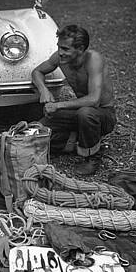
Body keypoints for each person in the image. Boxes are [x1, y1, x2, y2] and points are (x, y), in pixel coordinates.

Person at [31, 24, 116, 175]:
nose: (60, 53)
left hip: (103, 114)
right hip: (80, 111)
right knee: (40, 130)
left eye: (65, 49)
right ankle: (73, 141)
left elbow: (94, 100)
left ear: (80, 49)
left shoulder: (93, 60)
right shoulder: (60, 57)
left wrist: (58, 105)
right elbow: (37, 71)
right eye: (59, 47)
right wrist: (43, 90)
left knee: (85, 113)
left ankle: (92, 157)